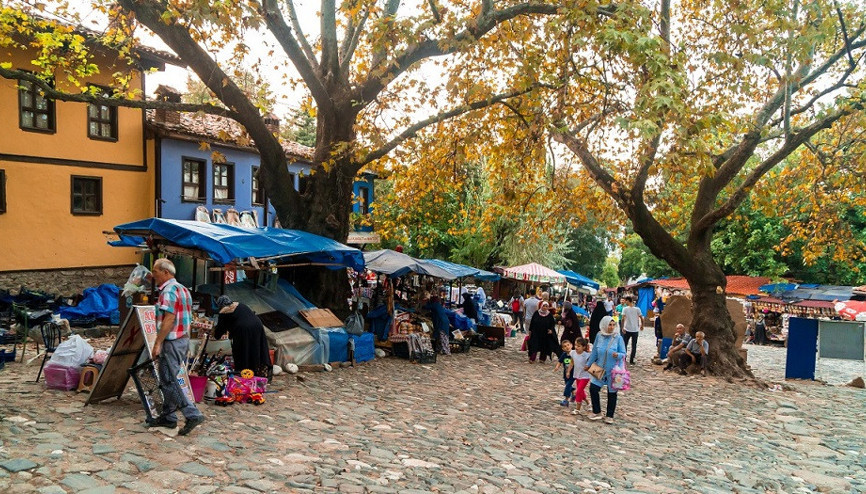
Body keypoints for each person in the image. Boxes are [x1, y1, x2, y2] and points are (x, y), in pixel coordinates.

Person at [148, 258, 205, 436]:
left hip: (172, 341)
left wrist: (157, 343)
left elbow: (169, 318)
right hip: (182, 339)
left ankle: (192, 414)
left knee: (169, 380)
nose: (153, 275)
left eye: (155, 271)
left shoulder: (169, 291)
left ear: (166, 272)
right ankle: (169, 417)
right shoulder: (183, 289)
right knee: (168, 378)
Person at [213, 295, 273, 379]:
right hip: (257, 325)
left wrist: (214, 334)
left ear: (220, 305)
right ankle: (258, 371)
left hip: (244, 329)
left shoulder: (224, 312)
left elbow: (220, 329)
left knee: (243, 350)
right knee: (256, 347)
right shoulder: (240, 305)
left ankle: (244, 372)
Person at [586, 316, 626, 424]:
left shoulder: (618, 338)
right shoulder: (599, 335)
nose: (611, 327)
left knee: (612, 392)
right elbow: (594, 352)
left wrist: (617, 355)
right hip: (599, 367)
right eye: (609, 325)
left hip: (614, 370)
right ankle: (597, 411)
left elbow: (623, 354)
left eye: (613, 325)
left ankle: (609, 415)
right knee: (593, 388)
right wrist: (588, 364)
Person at [570, 337, 591, 415]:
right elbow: (572, 362)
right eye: (575, 345)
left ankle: (577, 409)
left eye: (578, 346)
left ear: (583, 347)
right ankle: (588, 402)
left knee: (578, 391)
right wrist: (568, 371)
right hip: (577, 375)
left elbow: (591, 363)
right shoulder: (573, 353)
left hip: (585, 376)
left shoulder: (586, 355)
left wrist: (588, 366)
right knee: (581, 391)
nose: (576, 347)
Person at [620, 297, 644, 365]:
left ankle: (624, 359)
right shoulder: (637, 309)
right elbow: (641, 318)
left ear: (628, 301)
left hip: (627, 329)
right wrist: (642, 325)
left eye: (626, 301)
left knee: (625, 344)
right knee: (634, 345)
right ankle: (631, 360)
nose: (625, 302)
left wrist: (622, 327)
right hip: (635, 330)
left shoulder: (625, 309)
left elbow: (623, 319)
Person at [554, 340, 575, 407]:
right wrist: (557, 367)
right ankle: (574, 394)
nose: (567, 347)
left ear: (571, 345)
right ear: (563, 348)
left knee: (568, 386)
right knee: (568, 385)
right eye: (565, 346)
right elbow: (560, 361)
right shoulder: (564, 355)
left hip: (573, 374)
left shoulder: (574, 354)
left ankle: (566, 400)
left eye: (568, 345)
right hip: (566, 373)